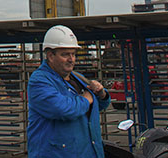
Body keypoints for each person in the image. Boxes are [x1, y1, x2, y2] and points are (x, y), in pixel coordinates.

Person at [27, 25, 111, 158]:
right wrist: (85, 99)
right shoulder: (39, 80)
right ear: (50, 55)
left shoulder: (77, 77)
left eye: (73, 54)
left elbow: (95, 105)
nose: (71, 59)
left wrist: (102, 94)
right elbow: (61, 109)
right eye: (65, 54)